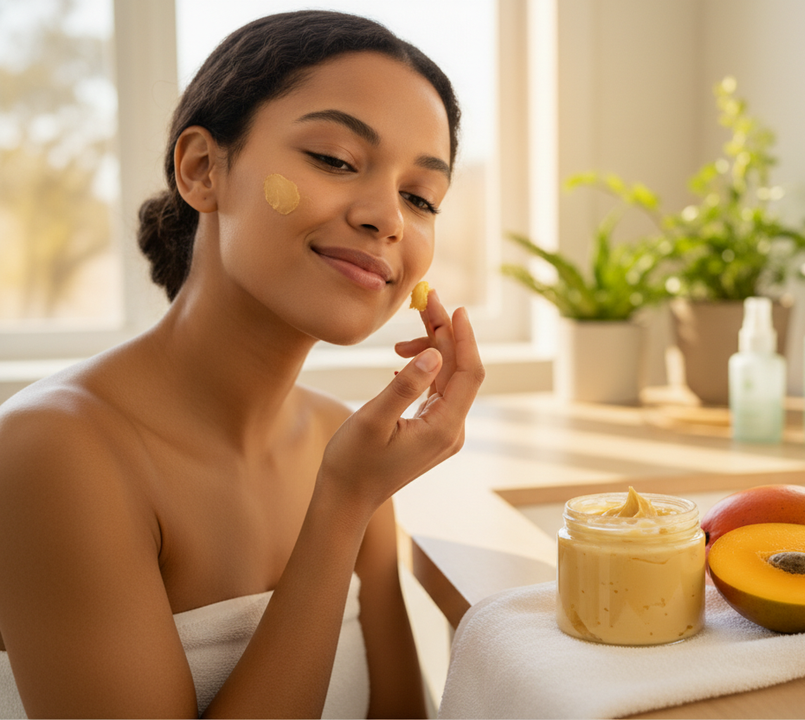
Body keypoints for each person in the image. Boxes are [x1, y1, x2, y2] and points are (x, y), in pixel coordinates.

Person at [0, 10, 483, 718]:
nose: (389, 217)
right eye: (335, 159)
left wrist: (352, 491)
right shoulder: (52, 452)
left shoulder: (345, 443)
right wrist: (341, 504)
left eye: (421, 197)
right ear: (202, 170)